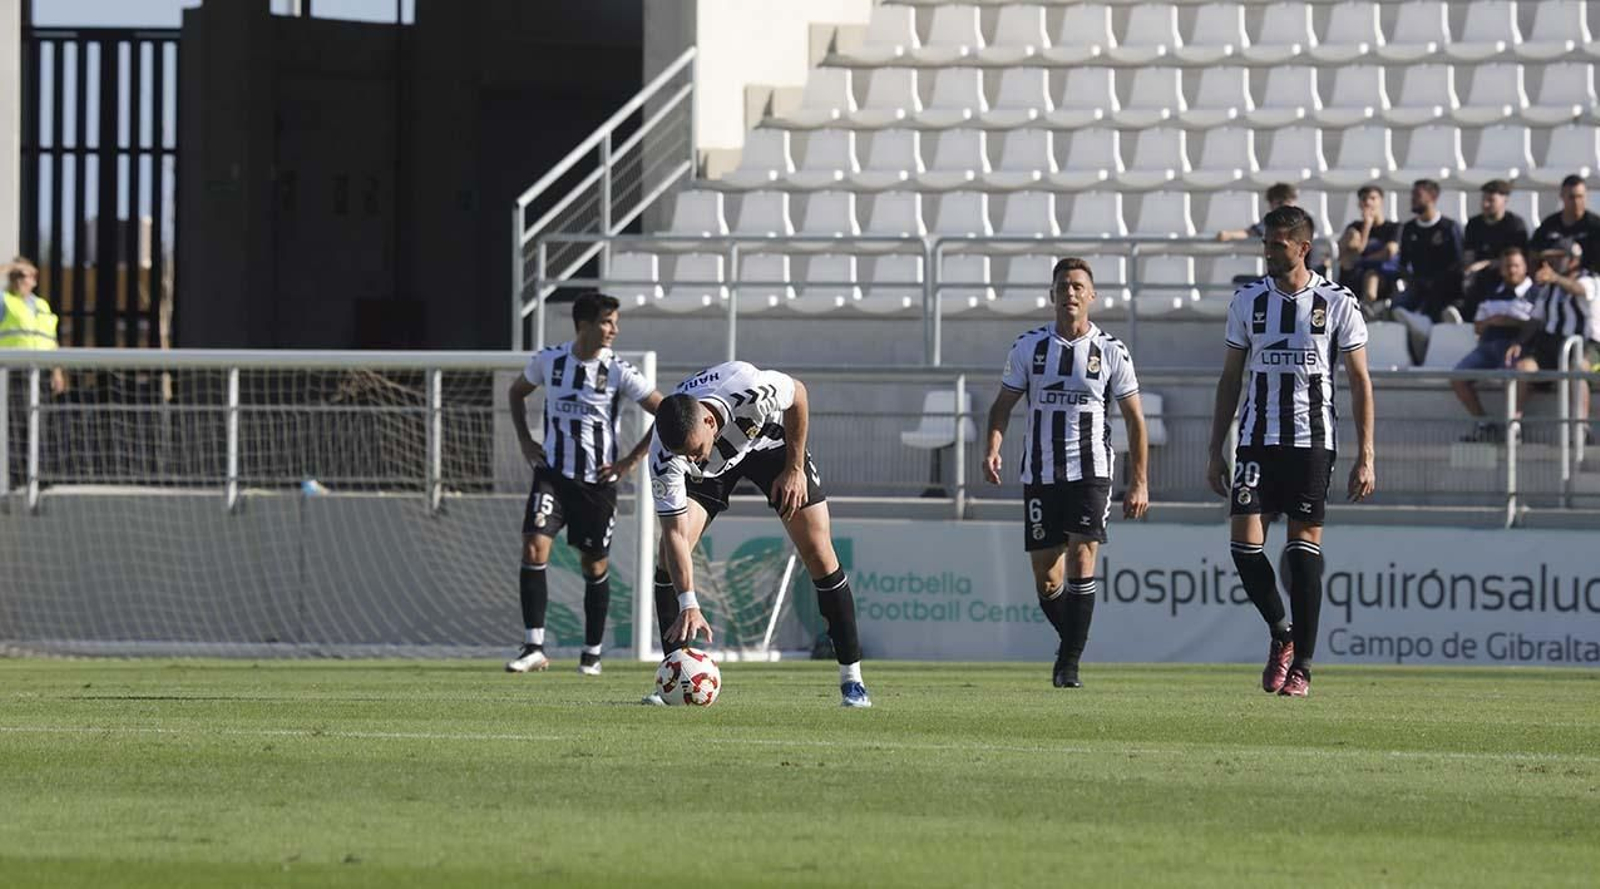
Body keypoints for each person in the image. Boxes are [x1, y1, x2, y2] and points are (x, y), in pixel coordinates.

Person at [1207, 205, 1376, 698]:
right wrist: (1216, 448)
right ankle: (1282, 632)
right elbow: (1230, 379)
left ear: (1303, 248)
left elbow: (1361, 382)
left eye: (1277, 246)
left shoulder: (1337, 302)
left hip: (1310, 443)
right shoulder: (1247, 301)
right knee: (1244, 547)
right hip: (1256, 440)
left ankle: (1302, 665)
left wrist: (1366, 455)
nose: (1268, 253)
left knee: (1303, 554)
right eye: (1265, 244)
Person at [647, 360, 872, 708]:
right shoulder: (667, 453)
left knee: (818, 552)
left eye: (693, 450)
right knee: (666, 556)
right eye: (684, 455)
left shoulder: (749, 389)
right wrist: (688, 603)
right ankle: (675, 676)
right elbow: (675, 532)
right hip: (716, 469)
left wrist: (794, 468)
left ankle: (852, 680)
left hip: (771, 447)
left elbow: (798, 392)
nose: (691, 460)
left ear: (709, 421)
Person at [982, 257, 1150, 689]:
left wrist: (1140, 480)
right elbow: (1002, 406)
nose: (1070, 293)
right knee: (1047, 576)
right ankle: (1071, 644)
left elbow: (1134, 419)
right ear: (1052, 294)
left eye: (1078, 286)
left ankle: (1068, 664)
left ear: (1091, 295)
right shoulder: (1029, 347)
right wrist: (993, 448)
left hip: (1091, 472)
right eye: (1063, 286)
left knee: (1081, 559)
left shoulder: (1112, 351)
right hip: (1040, 474)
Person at [505, 291, 663, 675]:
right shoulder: (550, 361)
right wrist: (526, 440)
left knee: (594, 566)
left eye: (615, 322)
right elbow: (516, 392)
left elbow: (664, 410)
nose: (614, 329)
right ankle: (534, 646)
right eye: (608, 322)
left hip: (597, 482)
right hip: (554, 475)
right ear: (584, 325)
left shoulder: (620, 370)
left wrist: (631, 459)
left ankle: (591, 653)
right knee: (533, 546)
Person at [1508, 237, 1600, 443]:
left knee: (1576, 367)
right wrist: (1519, 343)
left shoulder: (1590, 280)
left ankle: (1581, 428)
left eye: (1559, 258)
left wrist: (1556, 278)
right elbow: (1535, 319)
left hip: (1588, 346)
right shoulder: (1548, 288)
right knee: (1523, 368)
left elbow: (1580, 291)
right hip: (1551, 346)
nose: (1554, 263)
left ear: (1574, 259)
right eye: (1552, 258)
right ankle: (1514, 424)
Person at [1452, 247, 1536, 443]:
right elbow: (1478, 327)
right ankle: (1484, 424)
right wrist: (1492, 321)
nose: (1512, 270)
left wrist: (1507, 320)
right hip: (1488, 346)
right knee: (1457, 377)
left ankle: (1514, 424)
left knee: (1515, 375)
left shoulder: (1536, 293)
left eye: (1516, 265)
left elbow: (1536, 325)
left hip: (1517, 346)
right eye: (1507, 266)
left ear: (1525, 268)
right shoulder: (1492, 293)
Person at [2, 257, 67, 491]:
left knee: (40, 424)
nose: (21, 281)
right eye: (17, 276)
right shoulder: (5, 301)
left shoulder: (42, 306)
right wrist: (8, 267)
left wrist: (57, 372)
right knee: (15, 425)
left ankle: (40, 475)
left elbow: (50, 340)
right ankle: (16, 477)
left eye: (26, 276)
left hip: (40, 373)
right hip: (14, 372)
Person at [1216, 182, 1326, 275]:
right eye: (1278, 203)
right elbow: (1250, 232)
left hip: (1308, 270)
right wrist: (1228, 235)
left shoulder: (1305, 219)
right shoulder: (1272, 221)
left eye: (1285, 201)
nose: (1283, 206)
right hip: (1283, 272)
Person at [1396, 179, 1464, 320]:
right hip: (1417, 285)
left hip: (1444, 287)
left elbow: (1458, 263)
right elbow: (1403, 263)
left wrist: (1438, 281)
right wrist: (1411, 280)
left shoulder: (1449, 227)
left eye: (1417, 195)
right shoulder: (1409, 228)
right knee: (1397, 305)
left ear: (1432, 198)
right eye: (1412, 194)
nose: (1412, 199)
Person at [1461, 180, 1529, 311]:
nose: (1485, 204)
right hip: (1477, 274)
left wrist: (1486, 264)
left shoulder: (1514, 225)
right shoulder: (1474, 224)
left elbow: (1517, 258)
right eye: (1484, 199)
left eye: (1491, 200)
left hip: (1504, 273)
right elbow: (1469, 253)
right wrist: (1468, 268)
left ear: (1505, 200)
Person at [1337, 185, 1401, 317]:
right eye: (1364, 199)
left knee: (1371, 276)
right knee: (1350, 244)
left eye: (1373, 198)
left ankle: (1365, 311)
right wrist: (1366, 226)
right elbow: (1348, 254)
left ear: (1381, 201)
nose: (1368, 202)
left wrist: (1362, 260)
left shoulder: (1394, 227)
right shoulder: (1354, 227)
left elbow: (1389, 252)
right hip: (1354, 275)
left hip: (1383, 276)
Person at [1531, 175, 1600, 274]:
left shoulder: (1595, 226)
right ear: (1562, 196)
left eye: (1580, 196)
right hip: (1551, 278)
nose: (1576, 202)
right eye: (1571, 197)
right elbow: (1534, 252)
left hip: (1586, 280)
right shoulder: (1549, 224)